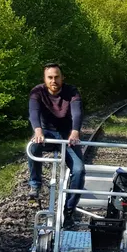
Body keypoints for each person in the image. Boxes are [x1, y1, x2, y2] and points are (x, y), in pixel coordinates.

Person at [28, 63, 85, 229]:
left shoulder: (71, 92)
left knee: (79, 170)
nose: (54, 81)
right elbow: (33, 113)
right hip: (46, 133)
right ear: (45, 79)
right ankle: (35, 185)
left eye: (57, 77)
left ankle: (68, 210)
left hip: (67, 136)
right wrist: (37, 131)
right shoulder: (37, 92)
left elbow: (77, 112)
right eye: (50, 77)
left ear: (62, 77)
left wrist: (75, 131)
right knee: (33, 148)